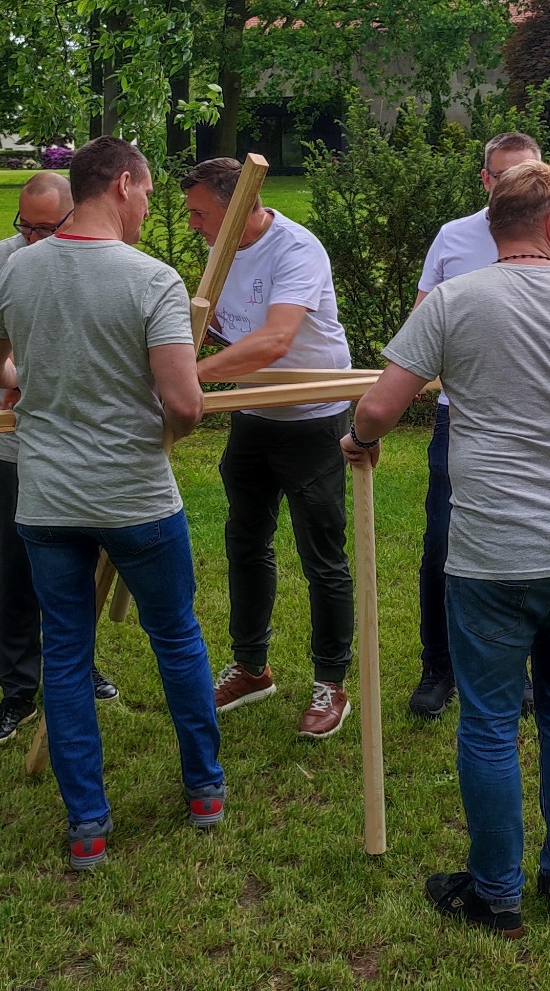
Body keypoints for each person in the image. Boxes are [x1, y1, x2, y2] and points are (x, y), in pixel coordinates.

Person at [349, 161, 550, 936]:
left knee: (491, 720)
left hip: (494, 549)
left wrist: (358, 441)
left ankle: (495, 893)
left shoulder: (456, 300)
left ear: (494, 227)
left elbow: (380, 404)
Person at [0, 136, 222, 868]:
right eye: (145, 192)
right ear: (120, 183)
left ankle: (88, 826)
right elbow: (184, 403)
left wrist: (35, 379)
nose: (148, 206)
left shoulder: (19, 269)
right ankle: (204, 789)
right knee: (175, 636)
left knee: (68, 656)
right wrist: (174, 421)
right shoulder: (151, 279)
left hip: (48, 500)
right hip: (136, 496)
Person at [407, 131, 550, 719]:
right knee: (444, 541)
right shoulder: (454, 237)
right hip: (463, 420)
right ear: (486, 183)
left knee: (532, 545)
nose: (518, 186)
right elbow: (423, 322)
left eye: (530, 174)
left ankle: (518, 670)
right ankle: (439, 666)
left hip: (545, 425)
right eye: (505, 177)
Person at [182, 158, 357, 739]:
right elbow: (227, 326)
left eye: (200, 213)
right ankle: (252, 668)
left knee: (321, 554)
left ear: (238, 207)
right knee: (246, 541)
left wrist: (191, 374)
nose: (193, 225)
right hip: (254, 413)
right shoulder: (222, 250)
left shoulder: (295, 249)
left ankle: (331, 682)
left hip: (312, 418)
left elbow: (276, 339)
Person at [0, 171, 118, 749]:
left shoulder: (104, 256)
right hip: (19, 444)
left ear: (77, 214)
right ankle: (19, 690)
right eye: (26, 225)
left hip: (86, 439)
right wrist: (19, 367)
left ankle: (77, 666)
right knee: (18, 566)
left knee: (83, 560)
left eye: (49, 227)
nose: (35, 238)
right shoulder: (6, 258)